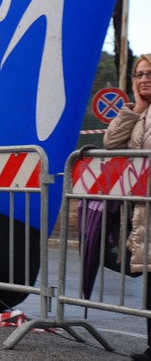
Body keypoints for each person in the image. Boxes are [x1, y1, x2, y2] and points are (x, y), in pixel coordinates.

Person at [103, 53, 151, 361]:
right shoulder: (140, 114)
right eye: (140, 74)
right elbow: (110, 142)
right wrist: (135, 108)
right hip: (143, 211)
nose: (144, 79)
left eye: (150, 74)